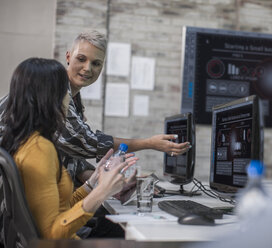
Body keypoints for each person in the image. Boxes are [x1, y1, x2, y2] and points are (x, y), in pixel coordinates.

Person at [0, 30, 190, 187]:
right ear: (68, 56)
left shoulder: (73, 99)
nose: (87, 68)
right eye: (81, 59)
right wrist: (150, 143)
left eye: (96, 63)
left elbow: (67, 150)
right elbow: (85, 142)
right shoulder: (53, 90)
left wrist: (105, 179)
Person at [0, 57, 139, 239]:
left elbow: (59, 209)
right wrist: (102, 191)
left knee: (113, 225)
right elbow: (52, 233)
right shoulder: (39, 150)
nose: (70, 100)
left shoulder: (24, 141)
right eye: (64, 92)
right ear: (50, 98)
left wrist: (93, 182)